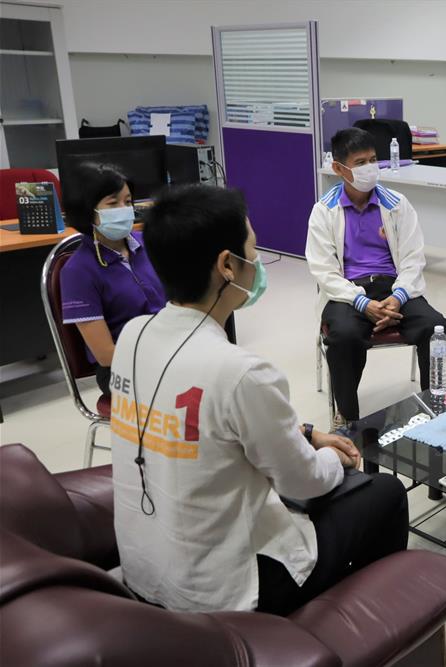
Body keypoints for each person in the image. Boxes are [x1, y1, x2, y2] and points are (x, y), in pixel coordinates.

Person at [109, 184, 408, 615]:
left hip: (144, 568)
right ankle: (369, 628)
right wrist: (334, 458)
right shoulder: (241, 371)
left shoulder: (133, 336)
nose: (258, 262)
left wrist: (307, 434)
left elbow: (209, 425)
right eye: (252, 249)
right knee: (386, 493)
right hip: (221, 593)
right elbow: (303, 482)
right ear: (227, 266)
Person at [307, 128, 446, 428]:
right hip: (348, 291)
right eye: (360, 162)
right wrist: (362, 303)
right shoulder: (324, 210)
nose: (370, 168)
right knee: (344, 336)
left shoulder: (397, 203)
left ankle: (434, 407)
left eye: (373, 160)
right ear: (339, 168)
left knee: (436, 328)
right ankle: (348, 419)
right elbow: (324, 271)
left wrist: (398, 297)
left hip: (394, 287)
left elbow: (413, 258)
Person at [59, 162, 166, 396]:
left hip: (170, 348)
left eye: (128, 202)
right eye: (113, 203)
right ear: (88, 211)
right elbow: (105, 354)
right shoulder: (77, 271)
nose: (124, 209)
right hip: (120, 367)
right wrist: (169, 357)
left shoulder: (150, 242)